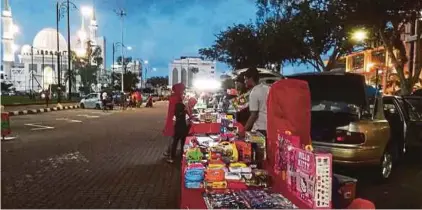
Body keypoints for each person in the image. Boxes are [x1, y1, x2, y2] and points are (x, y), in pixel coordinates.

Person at [242, 67, 270, 137]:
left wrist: (243, 130)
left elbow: (254, 115)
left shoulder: (254, 92)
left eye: (245, 79)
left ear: (251, 79)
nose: (244, 82)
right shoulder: (268, 88)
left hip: (260, 129)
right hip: (270, 127)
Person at [163, 83, 186, 163]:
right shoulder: (176, 97)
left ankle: (168, 152)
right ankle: (169, 155)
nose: (183, 91)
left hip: (172, 118)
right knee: (173, 138)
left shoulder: (174, 96)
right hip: (174, 119)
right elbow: (177, 110)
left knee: (172, 137)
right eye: (182, 89)